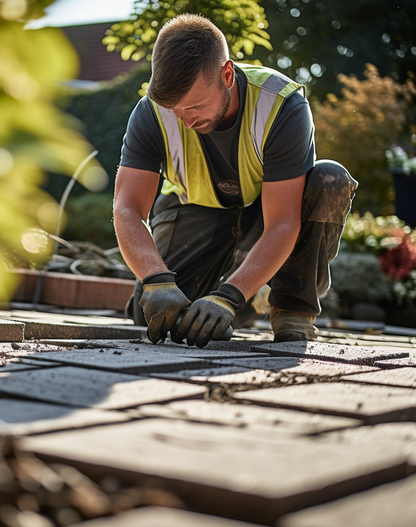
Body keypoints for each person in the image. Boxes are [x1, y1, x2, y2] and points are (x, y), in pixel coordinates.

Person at [113, 14, 357, 348]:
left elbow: (284, 222)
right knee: (158, 317)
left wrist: (228, 296)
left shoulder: (281, 104)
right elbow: (127, 208)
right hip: (195, 209)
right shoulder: (151, 112)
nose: (184, 121)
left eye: (195, 106)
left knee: (330, 180)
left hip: (265, 215)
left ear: (227, 74)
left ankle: (291, 309)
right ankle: (252, 295)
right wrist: (155, 280)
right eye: (175, 109)